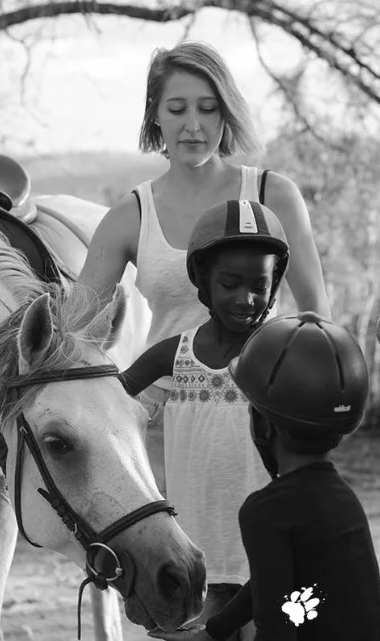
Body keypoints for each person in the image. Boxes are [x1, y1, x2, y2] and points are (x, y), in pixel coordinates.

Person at [77, 40, 331, 491]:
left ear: (225, 114)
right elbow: (72, 328)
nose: (193, 126)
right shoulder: (130, 215)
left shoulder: (274, 195)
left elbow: (317, 317)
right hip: (162, 420)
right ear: (155, 114)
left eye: (208, 109)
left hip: (258, 412)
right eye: (177, 109)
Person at [148, 312, 380, 641]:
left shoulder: (265, 511)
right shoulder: (341, 498)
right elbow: (274, 582)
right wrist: (214, 632)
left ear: (264, 426)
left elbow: (275, 631)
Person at [120, 199, 289, 640]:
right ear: (202, 282)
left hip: (264, 553)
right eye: (229, 283)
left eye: (259, 284)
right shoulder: (173, 356)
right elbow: (110, 405)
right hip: (195, 551)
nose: (245, 298)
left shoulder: (285, 353)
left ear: (275, 286)